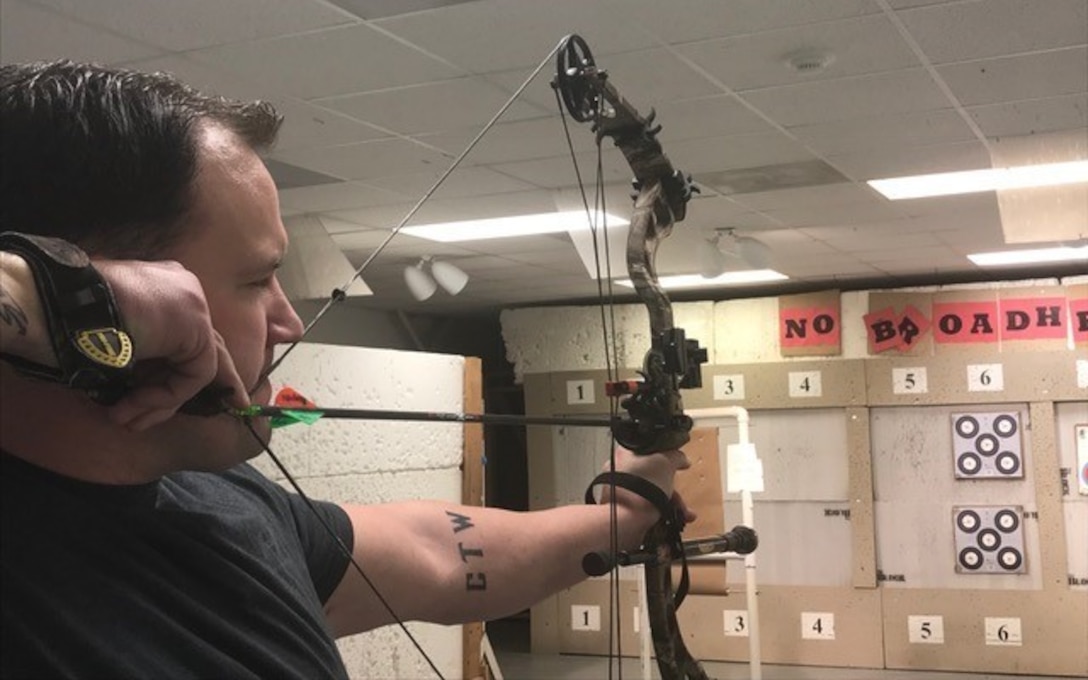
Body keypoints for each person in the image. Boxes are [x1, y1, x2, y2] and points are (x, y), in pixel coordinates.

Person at [0, 61, 690, 679]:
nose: (287, 323)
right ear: (122, 301)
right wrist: (63, 298)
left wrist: (626, 511)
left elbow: (441, 555)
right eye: (255, 281)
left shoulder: (221, 500)